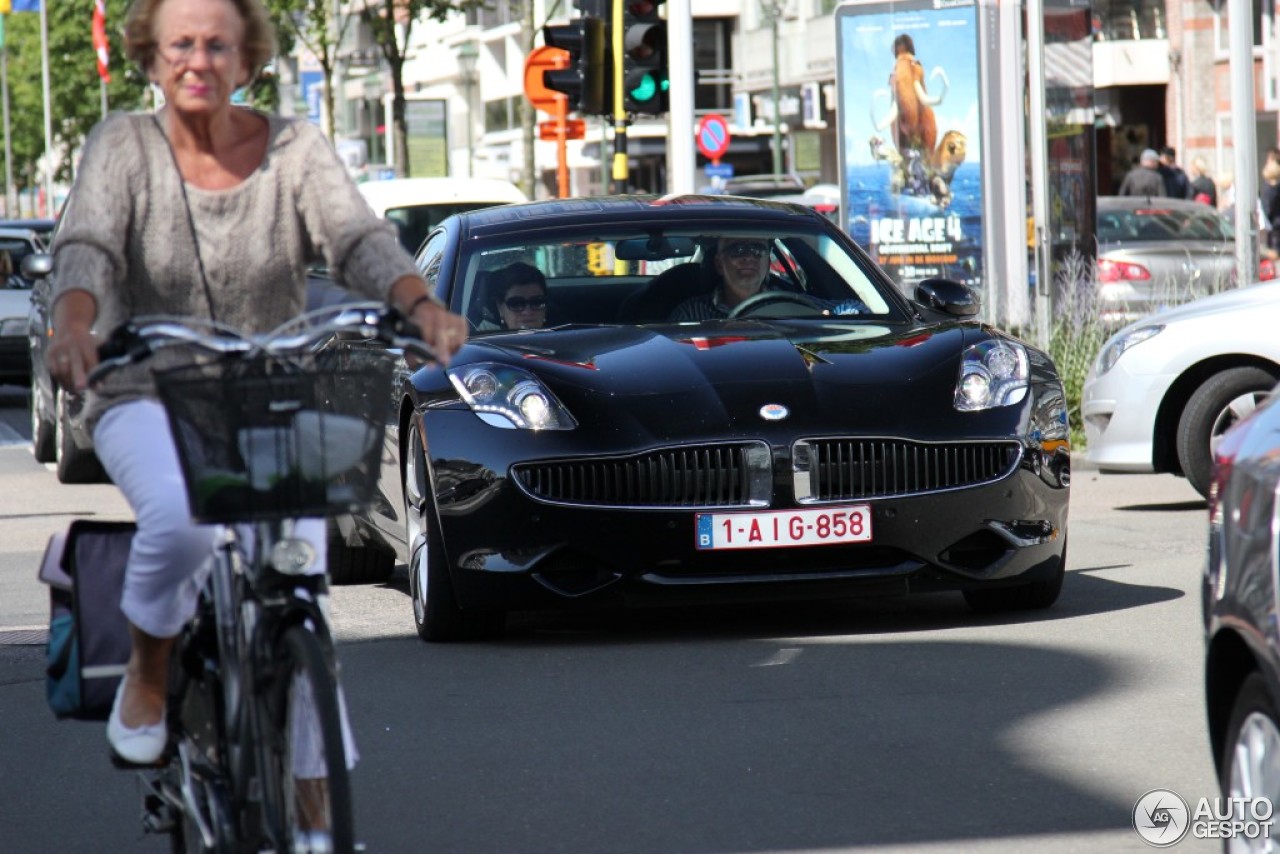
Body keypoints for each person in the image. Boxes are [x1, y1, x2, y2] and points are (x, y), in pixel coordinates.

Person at [46, 0, 467, 767]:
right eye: (181, 44)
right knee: (180, 520)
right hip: (146, 391)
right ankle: (149, 666)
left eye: (218, 44)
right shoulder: (122, 148)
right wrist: (75, 325)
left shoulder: (295, 149)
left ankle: (311, 809)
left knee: (298, 584)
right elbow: (88, 249)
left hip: (265, 396)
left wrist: (419, 303)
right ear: (149, 55)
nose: (198, 59)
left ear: (248, 59)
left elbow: (356, 238)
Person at [669, 237, 774, 321]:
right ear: (719, 264)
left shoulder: (788, 307)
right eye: (737, 249)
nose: (748, 257)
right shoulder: (690, 314)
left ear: (768, 264)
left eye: (758, 250)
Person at [488, 261, 548, 330]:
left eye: (537, 302)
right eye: (516, 304)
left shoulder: (561, 337)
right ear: (500, 308)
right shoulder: (485, 339)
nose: (527, 312)